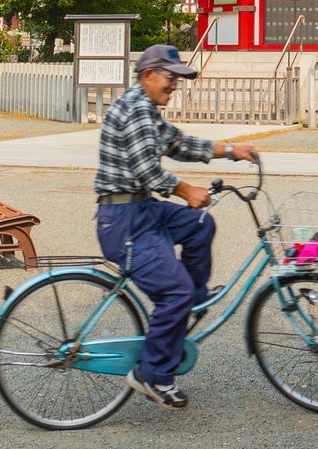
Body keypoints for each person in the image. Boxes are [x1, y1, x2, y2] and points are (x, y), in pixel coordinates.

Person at [95, 43, 258, 411]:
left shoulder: (147, 111)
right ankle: (152, 373)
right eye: (170, 78)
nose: (174, 86)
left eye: (177, 80)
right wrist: (186, 190)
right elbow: (147, 171)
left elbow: (180, 143)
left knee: (200, 223)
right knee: (175, 292)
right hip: (123, 222)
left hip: (142, 210)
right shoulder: (135, 109)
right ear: (148, 74)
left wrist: (232, 150)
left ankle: (190, 302)